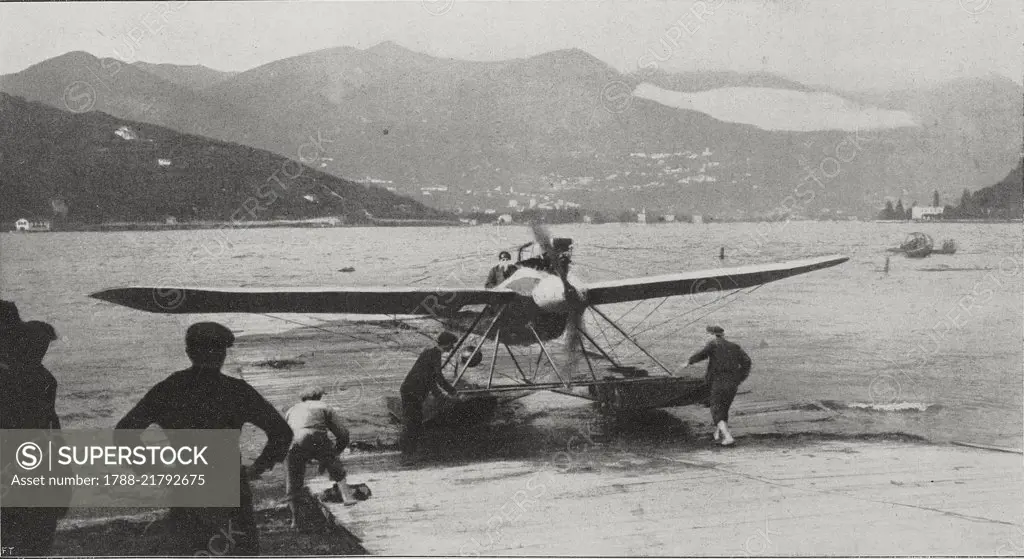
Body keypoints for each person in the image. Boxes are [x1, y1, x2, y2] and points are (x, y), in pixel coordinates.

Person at [115, 322, 293, 555]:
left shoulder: (169, 388)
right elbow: (282, 432)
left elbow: (123, 433)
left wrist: (155, 472)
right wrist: (258, 467)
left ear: (189, 352)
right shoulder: (236, 390)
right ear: (223, 353)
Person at [0, 317, 70, 556]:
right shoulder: (43, 379)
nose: (43, 351)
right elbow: (53, 431)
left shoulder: (35, 378)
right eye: (41, 346)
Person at [284, 386, 357, 528]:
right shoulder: (324, 407)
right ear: (319, 396)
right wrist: (336, 451)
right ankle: (347, 497)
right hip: (315, 437)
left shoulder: (292, 409)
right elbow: (343, 433)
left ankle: (295, 519)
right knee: (333, 462)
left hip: (293, 441)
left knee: (293, 480)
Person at [683, 326, 752, 446]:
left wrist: (688, 362)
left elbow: (701, 355)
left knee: (716, 409)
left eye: (707, 334)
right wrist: (740, 378)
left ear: (712, 334)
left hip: (718, 382)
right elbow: (747, 362)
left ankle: (728, 437)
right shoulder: (734, 346)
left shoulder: (712, 344)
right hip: (732, 383)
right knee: (724, 408)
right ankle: (718, 434)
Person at [399, 331, 458, 456]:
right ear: (446, 343)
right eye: (451, 344)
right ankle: (408, 452)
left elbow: (434, 377)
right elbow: (433, 378)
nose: (452, 347)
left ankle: (408, 450)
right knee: (413, 421)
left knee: (413, 420)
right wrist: (444, 394)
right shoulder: (434, 355)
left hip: (411, 390)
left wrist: (449, 391)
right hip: (412, 391)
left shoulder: (430, 353)